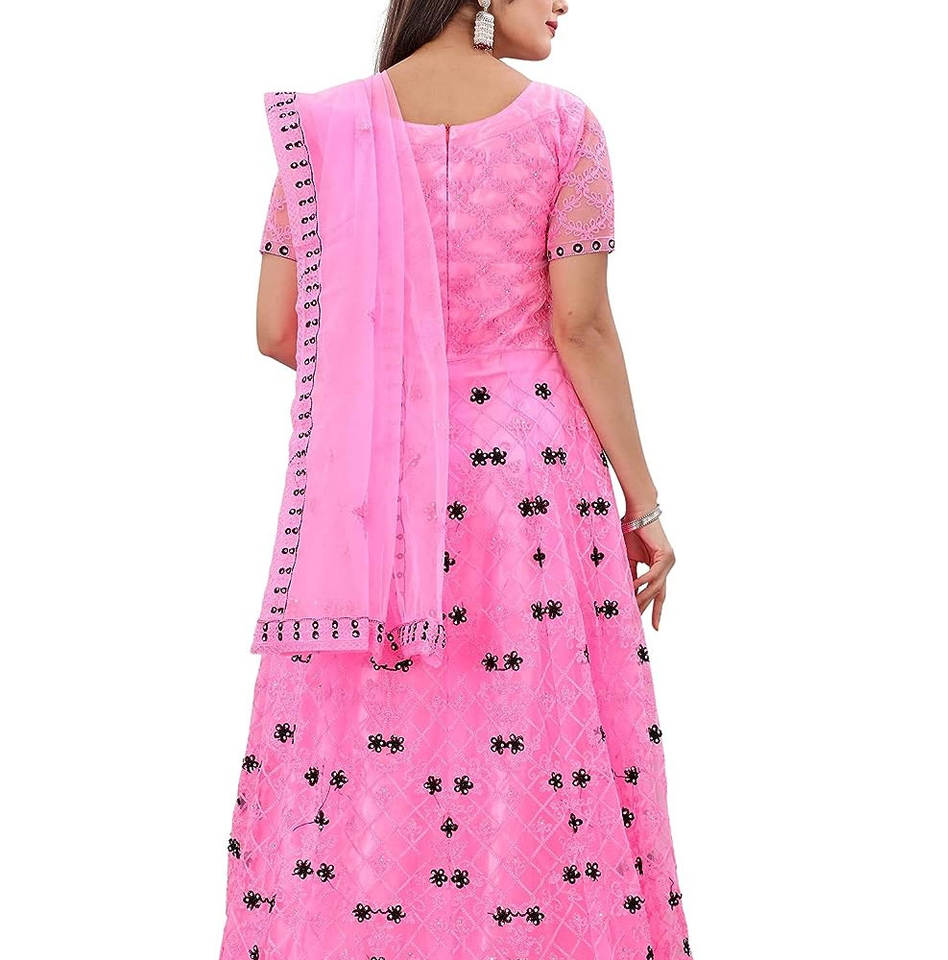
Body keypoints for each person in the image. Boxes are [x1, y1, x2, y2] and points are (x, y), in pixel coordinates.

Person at [219, 2, 692, 958]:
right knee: (534, 744)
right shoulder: (563, 127)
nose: (565, 2)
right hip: (529, 484)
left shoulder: (328, 130)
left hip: (373, 489)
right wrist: (644, 502)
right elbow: (581, 328)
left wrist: (396, 377)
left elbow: (277, 330)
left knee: (369, 743)